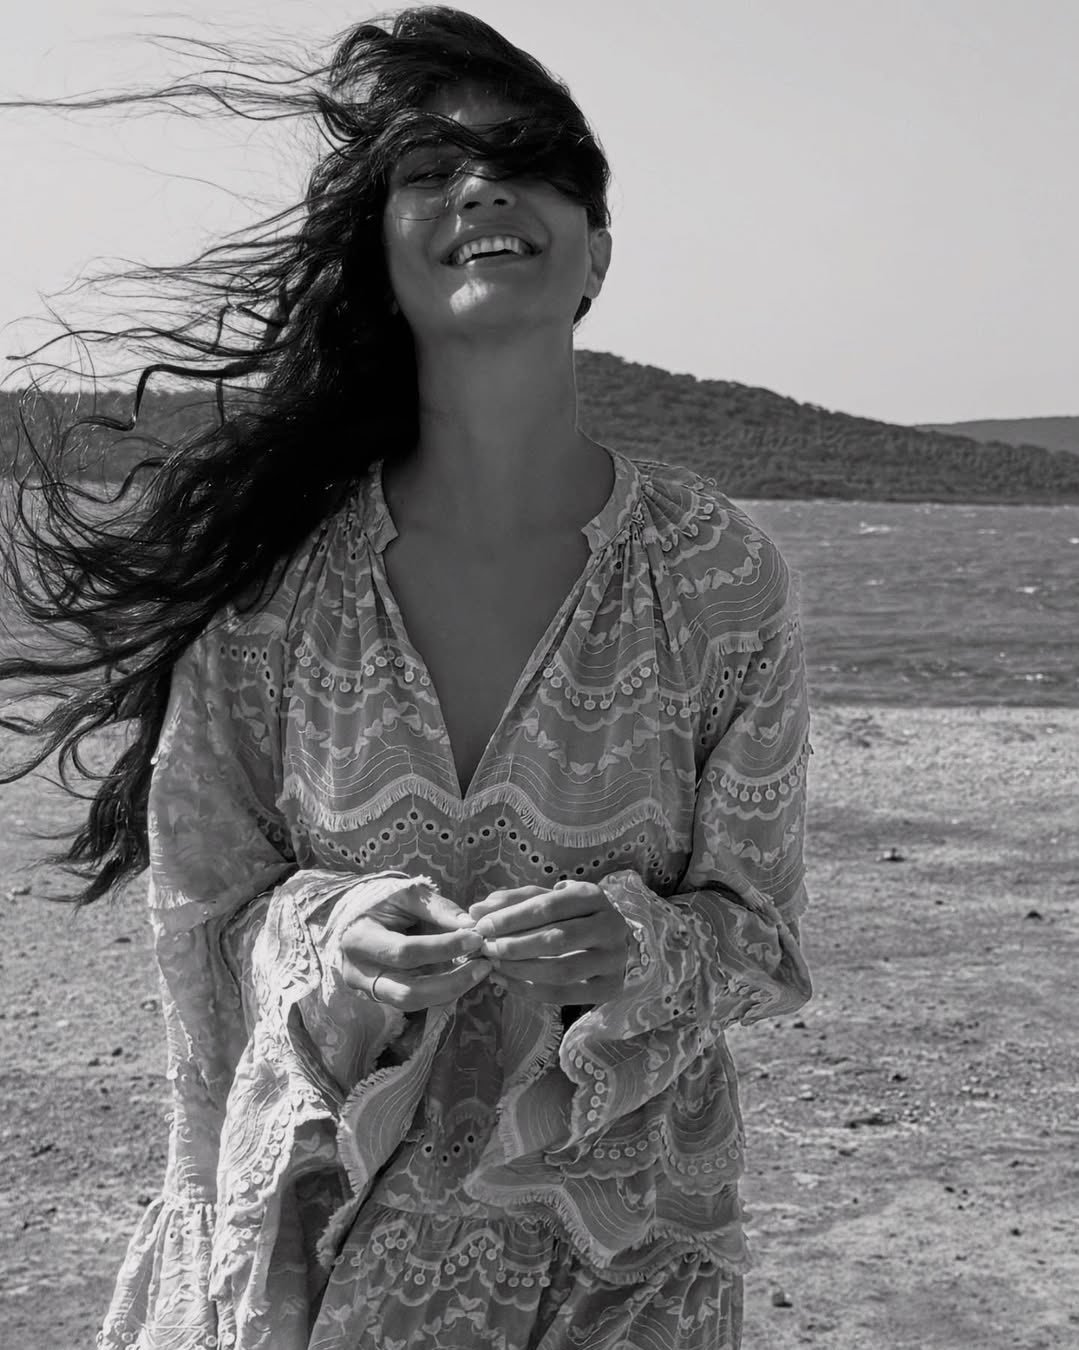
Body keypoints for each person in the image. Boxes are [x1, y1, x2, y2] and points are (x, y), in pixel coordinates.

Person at [0, 9, 813, 1348]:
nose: (481, 188)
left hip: (625, 1267)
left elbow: (761, 936)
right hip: (328, 1254)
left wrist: (645, 948)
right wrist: (334, 937)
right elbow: (205, 922)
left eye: (529, 162)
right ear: (383, 252)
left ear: (599, 249)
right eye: (431, 171)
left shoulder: (722, 573)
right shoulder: (274, 585)